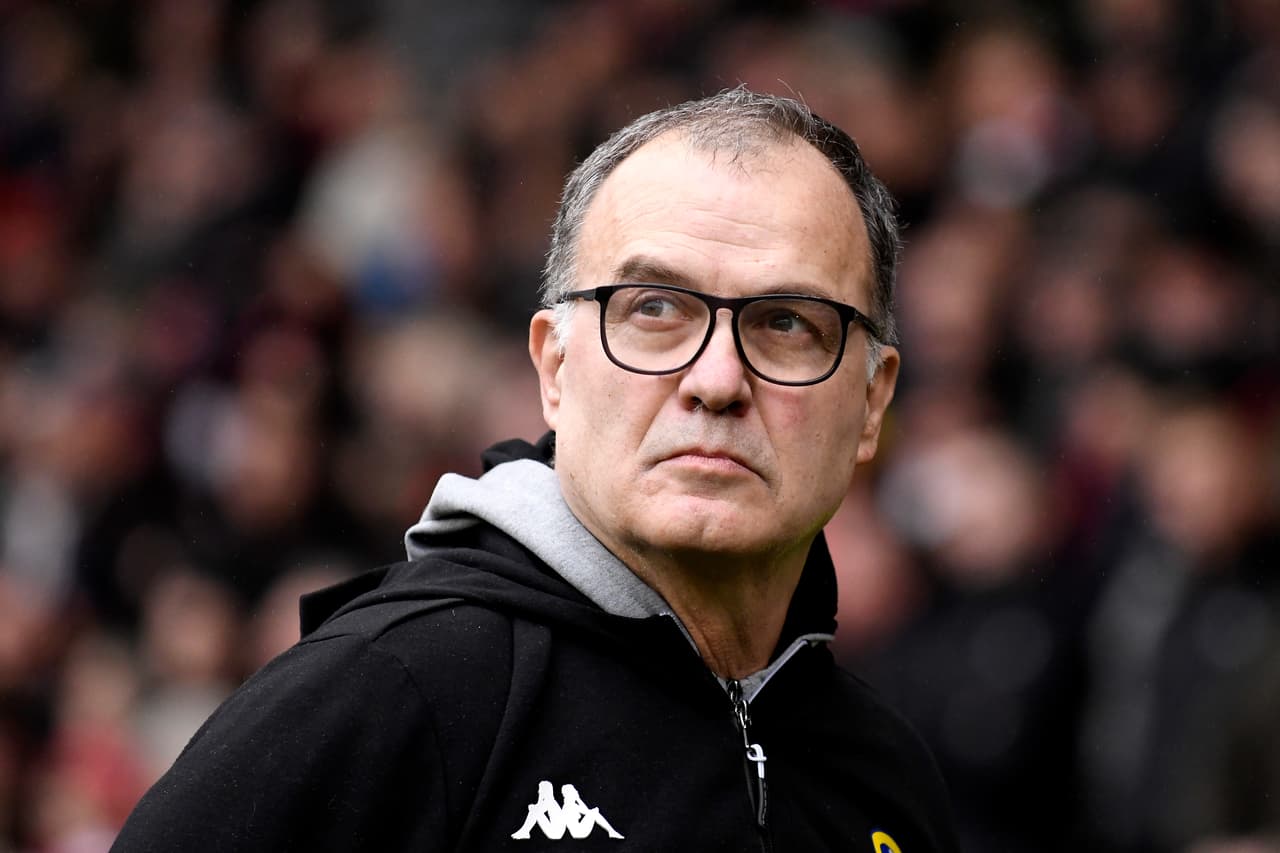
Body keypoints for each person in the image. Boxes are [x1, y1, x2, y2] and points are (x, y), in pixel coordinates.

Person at [112, 88, 959, 852]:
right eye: (654, 309)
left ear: (874, 402)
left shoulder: (889, 779)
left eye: (786, 322)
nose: (715, 381)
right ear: (554, 369)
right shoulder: (389, 697)